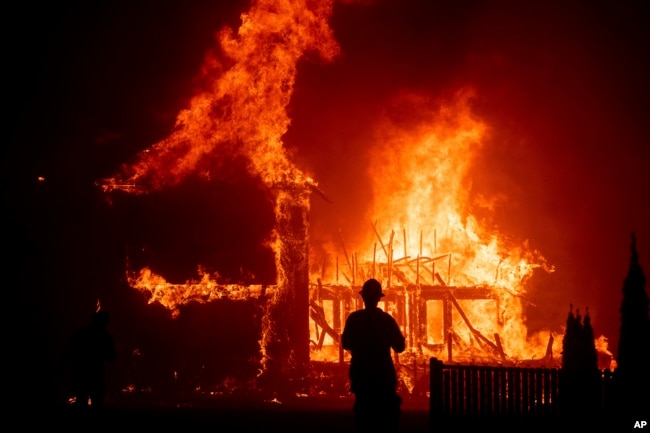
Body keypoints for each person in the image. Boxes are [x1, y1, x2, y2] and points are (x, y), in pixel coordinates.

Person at [342, 278, 406, 432]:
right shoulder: (386, 320)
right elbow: (400, 346)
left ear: (363, 297)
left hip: (361, 377)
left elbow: (346, 344)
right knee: (386, 421)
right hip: (383, 377)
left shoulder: (354, 319)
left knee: (364, 420)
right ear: (379, 298)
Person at [65, 309, 116, 410]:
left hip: (82, 372)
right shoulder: (104, 335)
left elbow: (70, 350)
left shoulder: (82, 332)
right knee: (96, 401)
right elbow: (111, 356)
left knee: (82, 400)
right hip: (94, 373)